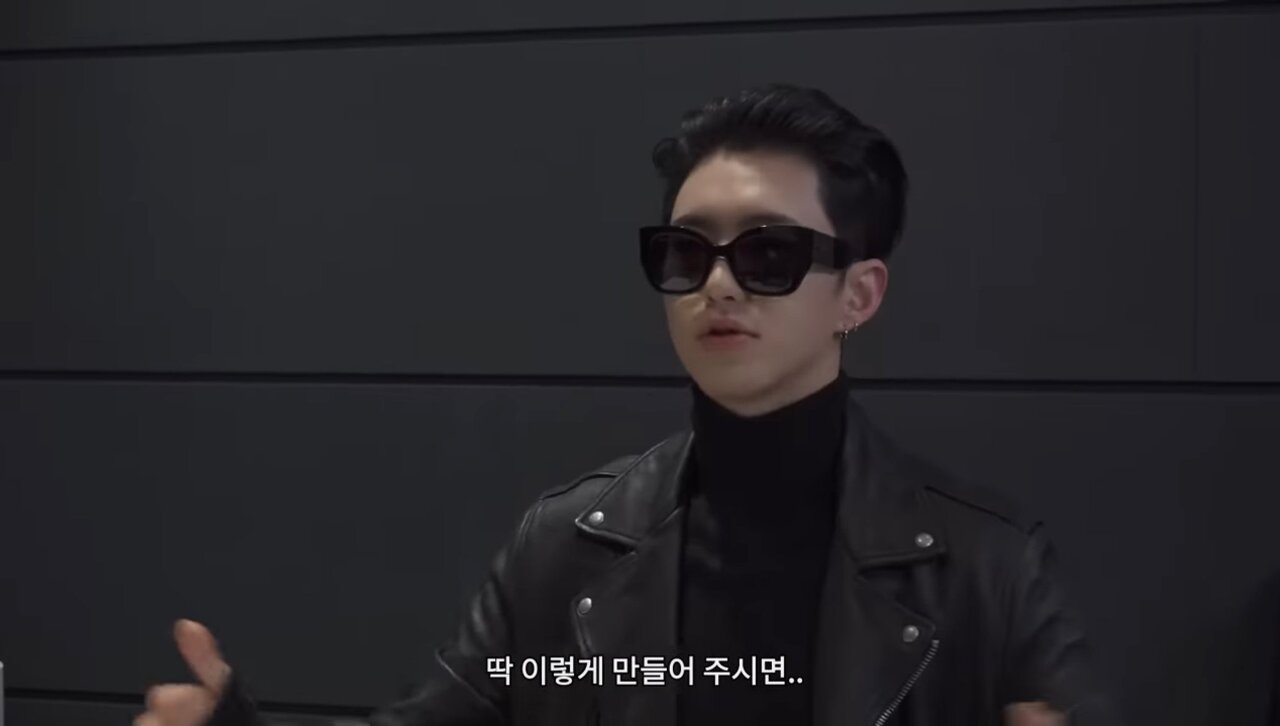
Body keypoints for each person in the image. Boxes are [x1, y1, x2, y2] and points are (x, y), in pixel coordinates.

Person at [135, 84, 1118, 726]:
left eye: (769, 253)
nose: (717, 284)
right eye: (687, 251)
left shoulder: (984, 569)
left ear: (856, 296)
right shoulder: (567, 546)